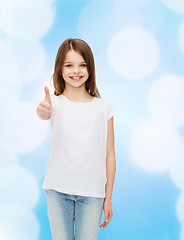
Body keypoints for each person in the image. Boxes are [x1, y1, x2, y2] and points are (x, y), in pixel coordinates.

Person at [36, 38, 116, 240]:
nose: (76, 71)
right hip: (57, 191)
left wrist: (108, 198)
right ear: (60, 69)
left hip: (92, 194)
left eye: (82, 65)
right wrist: (42, 112)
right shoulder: (53, 103)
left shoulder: (103, 106)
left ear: (90, 69)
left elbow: (110, 154)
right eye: (69, 65)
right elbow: (43, 112)